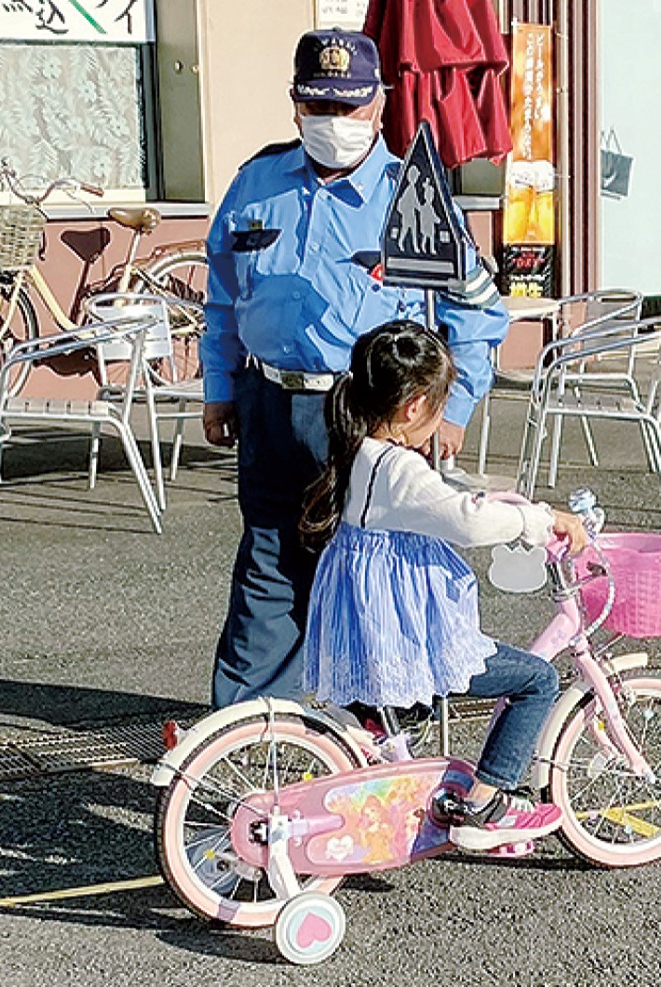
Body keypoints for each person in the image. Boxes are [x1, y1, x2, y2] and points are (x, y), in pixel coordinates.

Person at [200, 29, 509, 708]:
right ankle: (248, 724)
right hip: (270, 402)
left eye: (349, 108)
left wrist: (452, 409)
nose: (334, 123)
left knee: (373, 571)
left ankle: (385, 720)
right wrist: (219, 388)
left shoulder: (412, 196)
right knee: (269, 564)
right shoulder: (256, 182)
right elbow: (222, 295)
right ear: (295, 105)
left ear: (377, 105)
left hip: (367, 414)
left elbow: (482, 315)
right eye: (320, 108)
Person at [299, 321, 588, 851]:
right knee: (537, 680)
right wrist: (541, 521)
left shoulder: (364, 452)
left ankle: (386, 739)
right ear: (414, 408)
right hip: (405, 635)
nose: (440, 419)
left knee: (411, 710)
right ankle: (486, 804)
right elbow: (466, 523)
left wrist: (495, 499)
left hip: (371, 627)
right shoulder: (400, 470)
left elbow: (442, 503)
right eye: (441, 404)